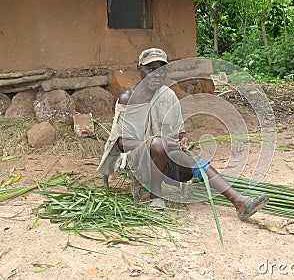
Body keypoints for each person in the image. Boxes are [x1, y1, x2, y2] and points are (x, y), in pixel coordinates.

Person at [97, 47, 269, 220]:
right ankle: (155, 197)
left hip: (164, 157)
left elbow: (179, 133)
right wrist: (157, 142)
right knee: (157, 144)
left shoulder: (168, 95)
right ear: (139, 69)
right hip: (136, 160)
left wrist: (184, 139)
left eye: (161, 70)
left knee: (193, 158)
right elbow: (122, 142)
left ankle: (240, 202)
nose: (156, 75)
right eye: (151, 69)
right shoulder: (128, 97)